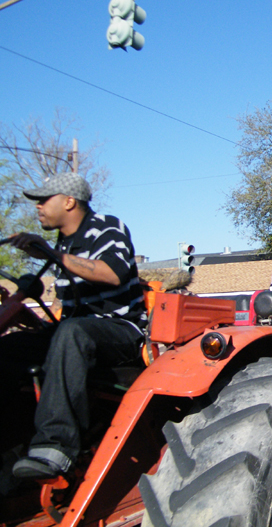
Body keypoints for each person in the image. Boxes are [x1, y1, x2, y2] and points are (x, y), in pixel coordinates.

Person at [1, 173, 146, 480]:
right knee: (9, 348)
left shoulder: (107, 226)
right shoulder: (64, 242)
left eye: (43, 200)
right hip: (76, 332)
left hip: (120, 330)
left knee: (72, 332)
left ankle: (55, 449)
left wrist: (53, 254)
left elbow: (113, 273)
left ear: (69, 202)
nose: (38, 207)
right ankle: (10, 443)